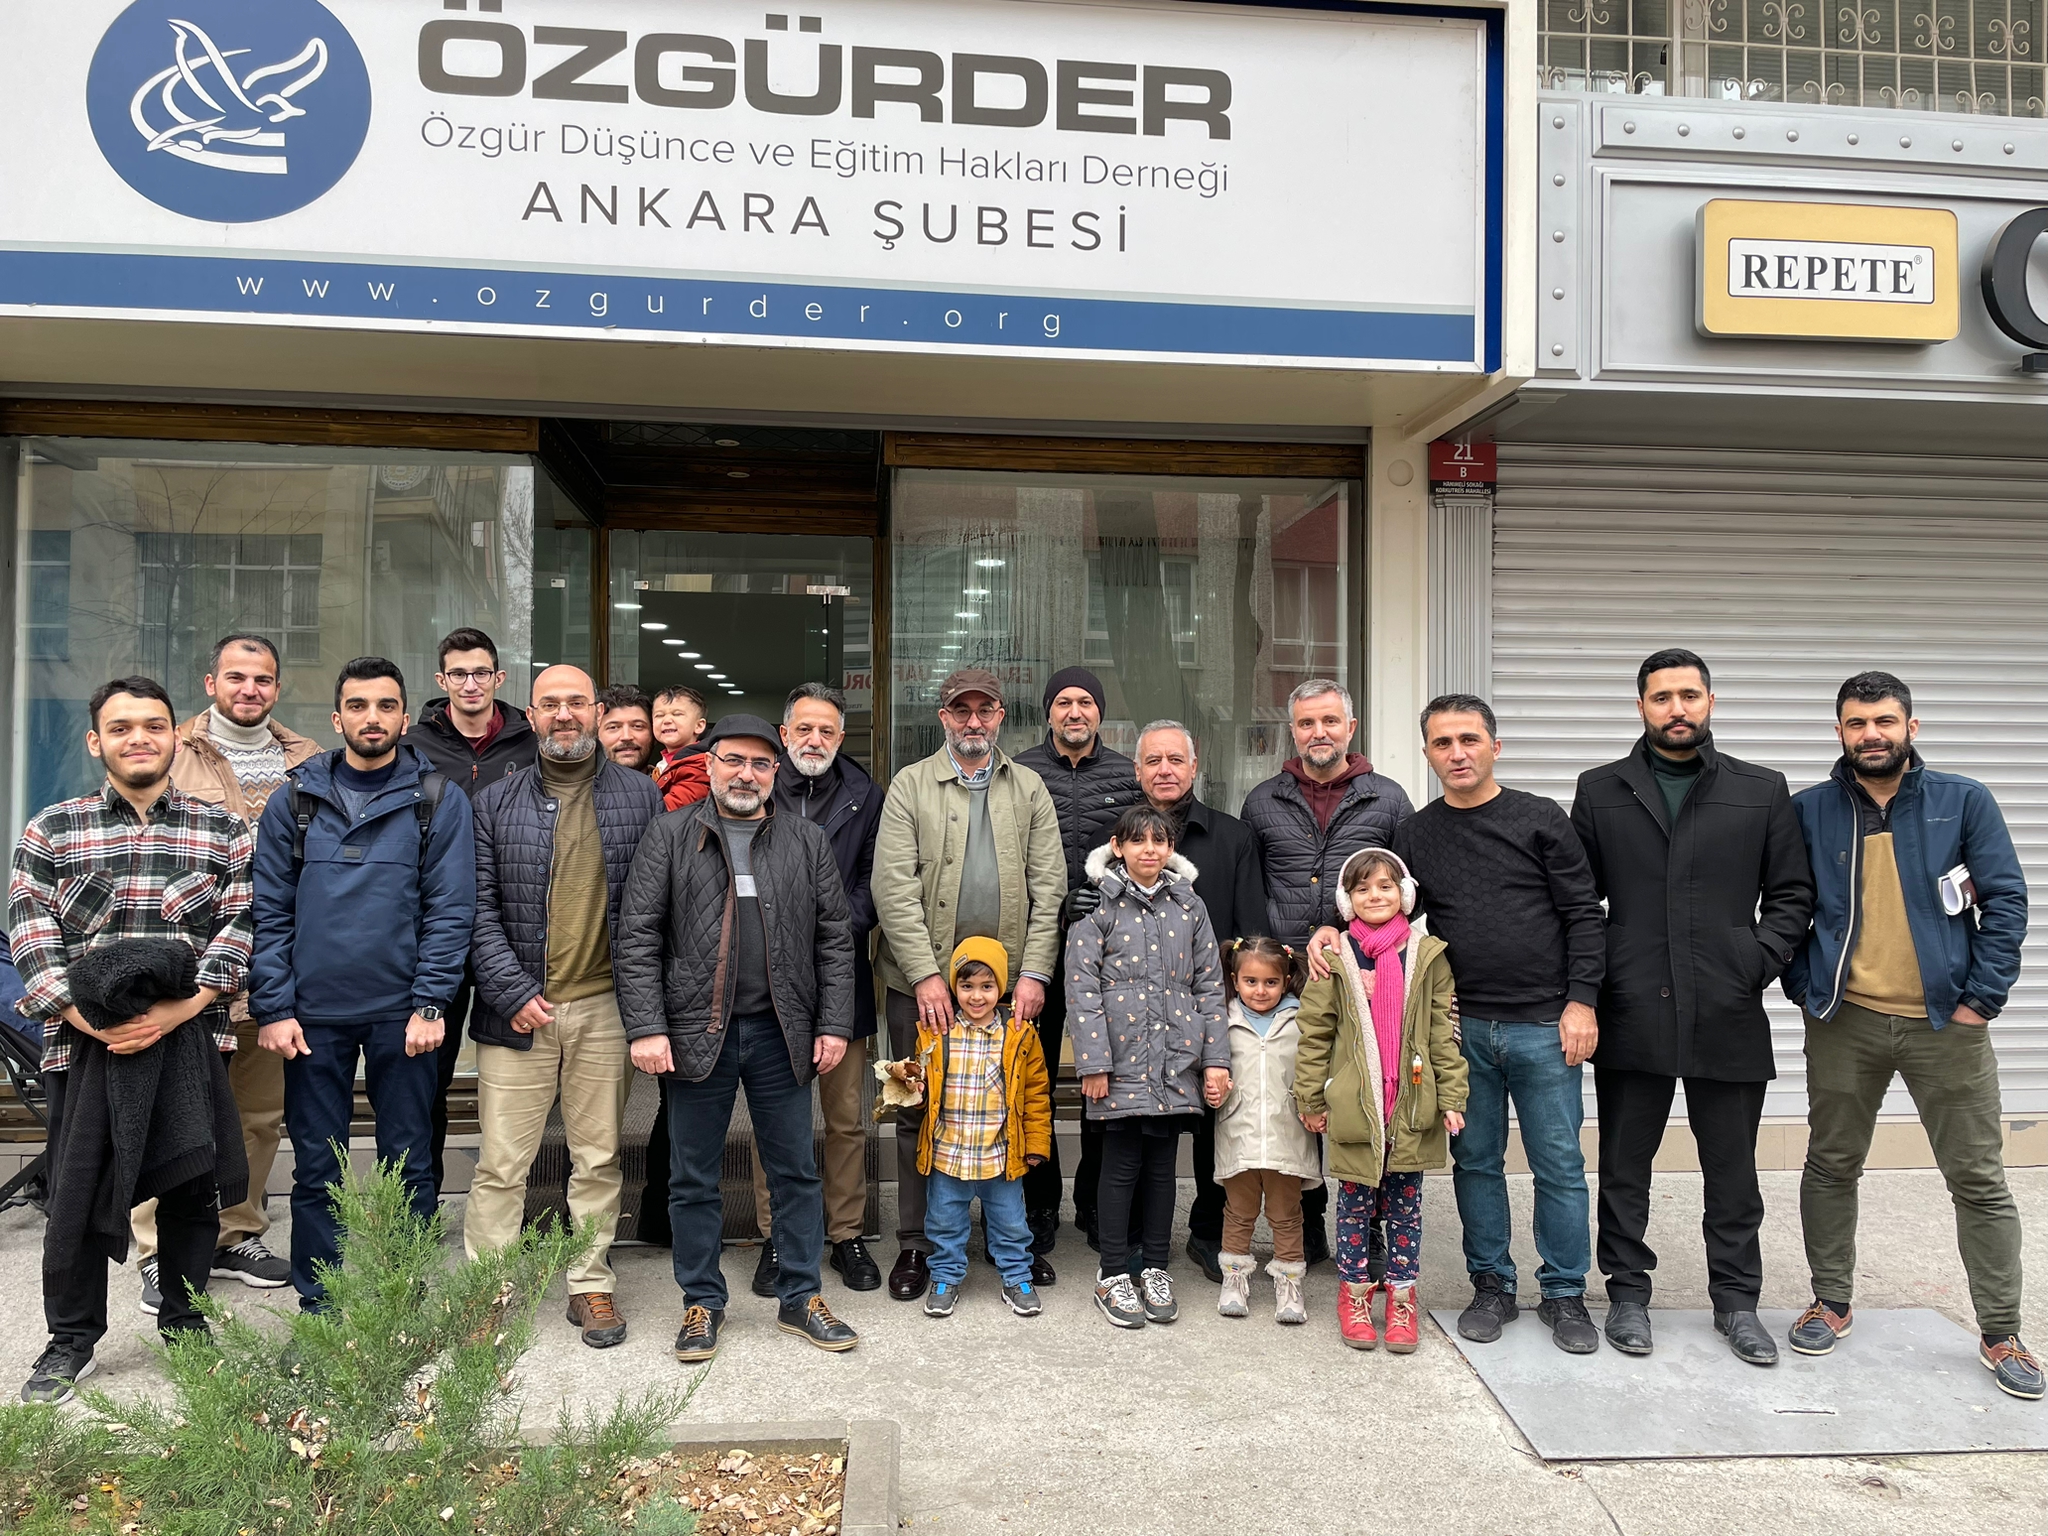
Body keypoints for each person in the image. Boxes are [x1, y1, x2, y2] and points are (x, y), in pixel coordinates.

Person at [1783, 672, 2038, 1400]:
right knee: (1831, 1164)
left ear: (1910, 728)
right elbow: (1786, 906)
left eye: (1885, 721)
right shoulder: (1810, 810)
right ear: (1840, 731)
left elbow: (2006, 900)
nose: (1872, 735)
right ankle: (1831, 1302)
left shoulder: (1963, 801)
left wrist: (1981, 1000)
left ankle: (2001, 1331)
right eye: (1857, 723)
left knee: (1979, 1178)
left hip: (1946, 1023)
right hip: (1846, 1021)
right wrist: (1806, 988)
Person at [12, 677, 255, 1405]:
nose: (139, 738)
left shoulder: (223, 830)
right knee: (79, 1194)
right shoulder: (53, 829)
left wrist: (181, 1011)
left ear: (176, 735)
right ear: (97, 742)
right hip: (83, 1046)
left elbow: (243, 925)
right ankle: (70, 1340)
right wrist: (90, 1019)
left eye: (153, 725)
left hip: (190, 1040)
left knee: (190, 1190)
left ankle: (186, 1322)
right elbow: (30, 931)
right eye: (121, 728)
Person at [1571, 649, 1815, 1366]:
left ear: (1710, 701)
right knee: (1624, 1166)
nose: (1676, 709)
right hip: (1632, 1005)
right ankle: (1627, 1295)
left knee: (1732, 1170)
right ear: (1640, 707)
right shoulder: (1601, 790)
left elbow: (1792, 894)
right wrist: (1604, 971)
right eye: (1661, 697)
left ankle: (1737, 1302)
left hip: (1727, 1006)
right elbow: (1578, 898)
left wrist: (1753, 961)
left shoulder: (1760, 789)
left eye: (1689, 695)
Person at [617, 714, 859, 1362]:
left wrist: (834, 1023)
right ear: (709, 765)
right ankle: (702, 1301)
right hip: (698, 1033)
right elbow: (636, 937)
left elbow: (835, 941)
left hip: (783, 1033)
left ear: (775, 771)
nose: (745, 774)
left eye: (759, 763)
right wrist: (647, 1027)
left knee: (795, 1172)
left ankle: (801, 1296)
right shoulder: (670, 835)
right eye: (733, 760)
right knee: (692, 1177)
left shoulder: (806, 841)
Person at [250, 657, 476, 1312]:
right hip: (311, 1018)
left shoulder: (437, 800)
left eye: (385, 706)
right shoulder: (293, 801)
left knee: (409, 1162)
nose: (371, 718)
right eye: (357, 706)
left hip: (402, 1016)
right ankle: (319, 1304)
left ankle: (402, 1299)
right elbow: (269, 912)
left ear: (404, 719)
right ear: (337, 717)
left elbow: (450, 910)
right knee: (317, 1167)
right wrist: (274, 1006)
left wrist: (431, 1002)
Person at [1392, 695, 1606, 1356]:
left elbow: (1584, 913)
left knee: (1558, 1164)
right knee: (1475, 1161)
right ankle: (1492, 1285)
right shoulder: (1416, 834)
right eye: (1443, 743)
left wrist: (1582, 1002)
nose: (1457, 753)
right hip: (1461, 1032)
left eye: (1469, 739)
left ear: (1494, 746)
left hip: (1545, 1025)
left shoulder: (1539, 817)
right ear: (1427, 753)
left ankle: (1565, 1292)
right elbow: (1391, 918)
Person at [467, 665, 659, 1349]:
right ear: (531, 716)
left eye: (577, 702)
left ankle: (590, 1283)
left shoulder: (641, 796)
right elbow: (475, 908)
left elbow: (655, 907)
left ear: (598, 712)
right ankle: (487, 1293)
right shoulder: (494, 800)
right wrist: (510, 991)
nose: (565, 715)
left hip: (605, 1008)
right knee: (501, 1164)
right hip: (516, 1010)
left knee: (598, 1158)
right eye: (550, 704)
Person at [128, 635, 317, 1309]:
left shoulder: (307, 760)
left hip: (275, 964)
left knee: (258, 1113)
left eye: (262, 679)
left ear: (277, 687)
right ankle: (157, 1249)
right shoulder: (171, 748)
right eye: (236, 677)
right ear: (211, 683)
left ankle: (237, 1231)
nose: (249, 689)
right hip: (188, 966)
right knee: (170, 1109)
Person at [871, 668, 1065, 1301]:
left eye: (986, 709)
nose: (974, 721)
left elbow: (1049, 888)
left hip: (1008, 987)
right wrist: (925, 974)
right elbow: (892, 887)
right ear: (944, 718)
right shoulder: (910, 785)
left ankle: (1015, 1246)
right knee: (919, 1108)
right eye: (962, 710)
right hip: (921, 983)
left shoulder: (1029, 788)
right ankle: (918, 1245)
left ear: (1001, 716)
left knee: (1012, 1104)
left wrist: (1034, 972)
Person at [1243, 681, 1408, 1267]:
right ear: (1293, 731)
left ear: (1350, 728)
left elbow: (1405, 893)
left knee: (1366, 1095)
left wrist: (1361, 944)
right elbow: (1252, 885)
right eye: (1308, 723)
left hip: (1366, 978)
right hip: (1286, 976)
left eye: (1330, 721)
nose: (1320, 733)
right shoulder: (1263, 800)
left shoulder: (1388, 800)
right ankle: (1309, 1223)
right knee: (1302, 1097)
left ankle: (1374, 1228)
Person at [739, 683, 887, 1297]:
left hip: (840, 976)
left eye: (827, 731)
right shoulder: (755, 785)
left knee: (845, 1118)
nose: (815, 740)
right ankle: (778, 1236)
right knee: (776, 1120)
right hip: (766, 983)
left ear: (841, 737)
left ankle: (846, 1233)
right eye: (804, 729)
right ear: (784, 733)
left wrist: (826, 927)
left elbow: (874, 882)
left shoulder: (865, 796)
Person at [1295, 850, 1465, 1354]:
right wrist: (1311, 1097)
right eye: (1363, 888)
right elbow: (1315, 1035)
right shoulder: (1335, 957)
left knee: (1406, 1209)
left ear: (1405, 894)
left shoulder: (1427, 955)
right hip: (1356, 1106)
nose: (1376, 896)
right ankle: (1353, 1296)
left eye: (1386, 886)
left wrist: (1451, 1096)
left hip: (1411, 1104)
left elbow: (1442, 1033)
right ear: (1347, 900)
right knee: (1354, 1208)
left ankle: (1402, 1298)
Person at [1066, 805, 1228, 1330]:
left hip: (1174, 1062)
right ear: (1118, 847)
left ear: (1171, 848)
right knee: (1119, 1169)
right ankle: (1113, 1272)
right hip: (1119, 1062)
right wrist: (1094, 1062)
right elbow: (1081, 987)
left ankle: (1156, 1267)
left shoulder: (1189, 905)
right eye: (1138, 841)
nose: (1150, 850)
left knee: (1162, 1169)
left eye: (1160, 841)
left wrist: (1214, 1060)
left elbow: (1210, 986)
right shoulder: (1099, 904)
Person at [1126, 720, 1267, 1281]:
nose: (1164, 770)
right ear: (1137, 770)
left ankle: (1210, 1232)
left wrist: (1240, 1004)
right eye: (1153, 761)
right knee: (1142, 1126)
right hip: (1139, 1016)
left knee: (1216, 1125)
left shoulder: (1233, 837)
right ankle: (1138, 1236)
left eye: (1175, 760)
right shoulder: (1119, 841)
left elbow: (1252, 929)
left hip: (1214, 1006)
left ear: (1194, 765)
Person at [1013, 667, 1140, 1268]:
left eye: (1085, 701)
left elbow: (1147, 853)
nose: (1074, 711)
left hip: (1108, 954)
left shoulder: (1128, 776)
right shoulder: (1019, 772)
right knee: (1032, 1077)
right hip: (1035, 951)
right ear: (1048, 712)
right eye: (1063, 701)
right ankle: (1039, 1204)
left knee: (1100, 1078)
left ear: (1099, 712)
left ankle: (1093, 1200)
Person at [411, 627, 539, 1199]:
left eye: (480, 672)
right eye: (458, 673)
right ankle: (421, 1205)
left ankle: (515, 1201)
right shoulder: (414, 747)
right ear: (442, 680)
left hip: (507, 935)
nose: (470, 683)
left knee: (517, 1075)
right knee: (427, 1078)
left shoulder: (529, 743)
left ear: (498, 678)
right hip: (433, 931)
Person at [882, 936, 1053, 1321]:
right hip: (949, 1154)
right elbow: (925, 1090)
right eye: (967, 986)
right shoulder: (936, 1033)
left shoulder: (1019, 1035)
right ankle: (945, 1277)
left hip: (1000, 1156)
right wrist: (912, 1090)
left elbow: (1036, 1094)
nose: (976, 996)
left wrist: (1036, 1143)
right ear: (953, 987)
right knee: (944, 1225)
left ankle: (1017, 1277)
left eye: (987, 986)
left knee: (1012, 1225)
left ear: (1001, 988)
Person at [1212, 936, 1316, 1324]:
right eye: (1251, 981)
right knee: (1238, 1212)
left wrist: (1315, 1104)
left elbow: (1314, 1069)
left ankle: (1289, 1284)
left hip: (1287, 1134)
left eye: (1270, 982)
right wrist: (1215, 1090)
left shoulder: (1301, 1019)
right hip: (1239, 1133)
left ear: (1286, 980)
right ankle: (1234, 1279)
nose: (1260, 990)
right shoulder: (1223, 1021)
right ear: (1235, 980)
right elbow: (1213, 1070)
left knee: (1286, 1214)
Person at [652, 685, 712, 810]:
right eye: (659, 715)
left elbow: (669, 810)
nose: (667, 720)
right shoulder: (665, 761)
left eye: (677, 714)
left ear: (699, 726)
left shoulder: (699, 765)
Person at [597, 685, 657, 770]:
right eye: (613, 727)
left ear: (654, 733)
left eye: (637, 726)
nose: (626, 737)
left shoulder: (673, 778)